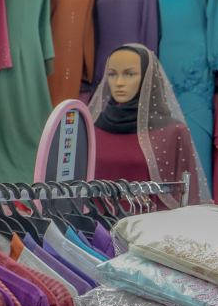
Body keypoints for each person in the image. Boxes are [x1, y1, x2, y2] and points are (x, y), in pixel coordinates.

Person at [88, 43, 209, 208]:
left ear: (148, 78)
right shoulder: (93, 128)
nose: (119, 83)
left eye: (130, 74)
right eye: (112, 74)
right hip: (95, 228)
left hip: (147, 229)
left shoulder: (173, 132)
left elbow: (188, 197)